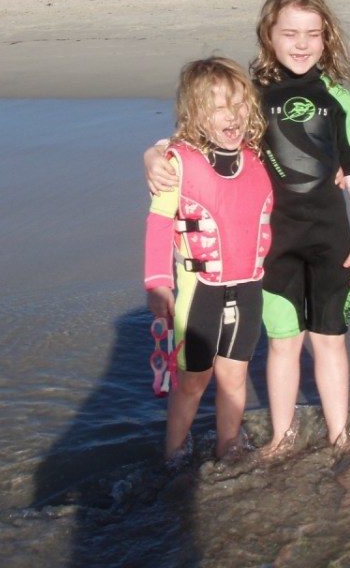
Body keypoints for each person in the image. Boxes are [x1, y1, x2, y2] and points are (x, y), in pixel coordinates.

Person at [146, 0, 350, 454]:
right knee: (283, 342)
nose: (302, 44)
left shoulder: (340, 98)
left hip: (332, 241)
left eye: (313, 34)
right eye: (290, 33)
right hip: (274, 247)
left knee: (330, 341)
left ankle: (339, 436)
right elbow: (198, 134)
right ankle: (281, 436)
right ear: (268, 35)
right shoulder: (251, 96)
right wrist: (152, 153)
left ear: (327, 37)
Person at [144, 56, 273, 462]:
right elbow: (159, 223)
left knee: (234, 378)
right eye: (218, 107)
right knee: (193, 382)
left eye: (238, 104)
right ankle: (175, 456)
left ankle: (229, 446)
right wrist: (157, 284)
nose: (232, 115)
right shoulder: (176, 163)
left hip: (249, 288)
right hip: (200, 292)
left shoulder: (258, 155)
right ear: (196, 113)